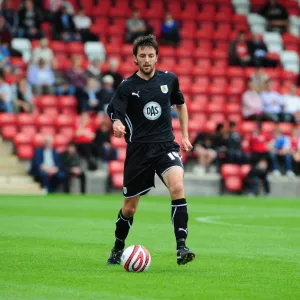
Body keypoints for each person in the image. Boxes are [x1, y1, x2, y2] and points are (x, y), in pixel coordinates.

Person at [106, 35, 195, 266]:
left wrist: (184, 135)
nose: (147, 60)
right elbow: (115, 112)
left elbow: (181, 105)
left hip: (166, 145)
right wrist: (117, 124)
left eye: (150, 55)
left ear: (157, 57)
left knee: (177, 186)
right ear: (135, 59)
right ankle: (117, 247)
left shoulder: (170, 79)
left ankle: (182, 247)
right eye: (142, 56)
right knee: (130, 208)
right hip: (138, 151)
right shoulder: (127, 86)